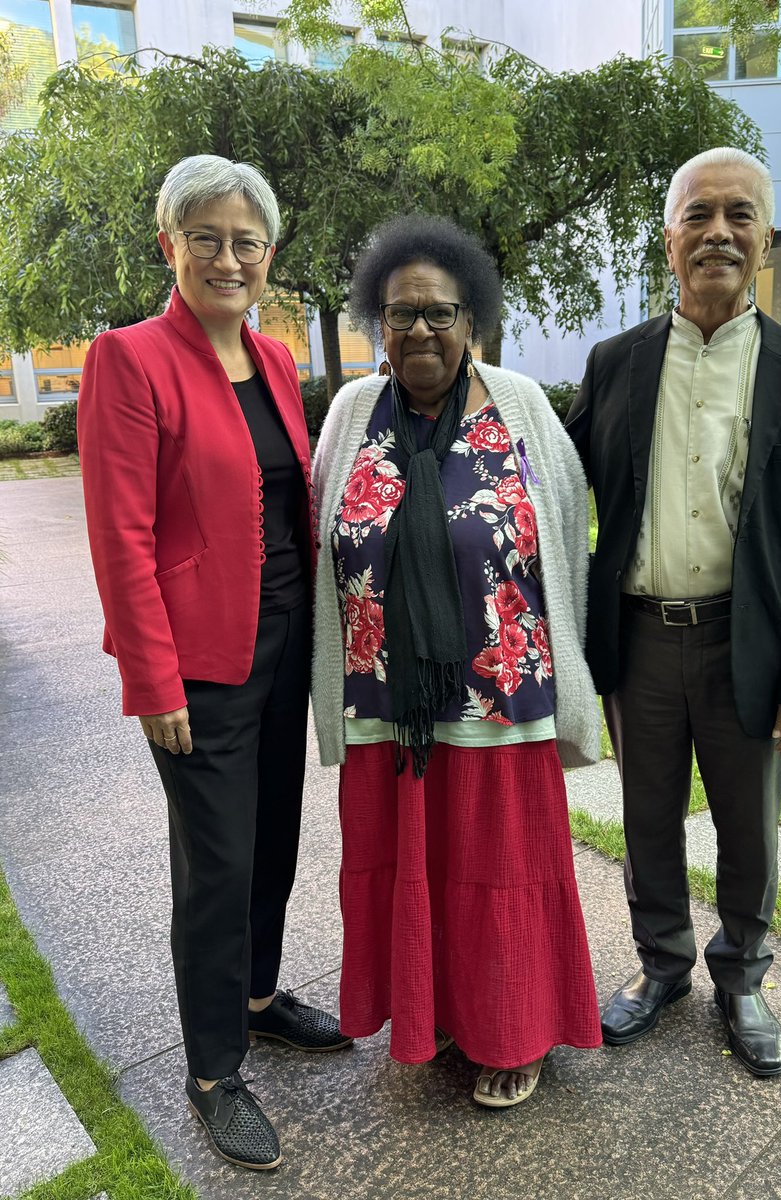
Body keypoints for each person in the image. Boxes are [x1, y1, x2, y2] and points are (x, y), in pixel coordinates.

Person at [78, 155, 350, 1172]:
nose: (229, 258)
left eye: (247, 242)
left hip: (283, 652)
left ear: (267, 257)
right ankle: (211, 1070)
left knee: (273, 836)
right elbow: (123, 537)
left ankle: (260, 997)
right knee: (216, 865)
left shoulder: (274, 361)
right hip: (198, 667)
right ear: (171, 246)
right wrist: (151, 680)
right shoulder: (130, 359)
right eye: (209, 238)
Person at [565, 147, 781, 1077]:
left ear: (764, 240)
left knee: (749, 828)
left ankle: (743, 975)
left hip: (750, 643)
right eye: (699, 215)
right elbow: (555, 490)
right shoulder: (614, 365)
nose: (718, 232)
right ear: (669, 237)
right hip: (640, 640)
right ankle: (661, 969)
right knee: (646, 819)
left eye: (739, 215)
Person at [311, 214, 602, 1108]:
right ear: (377, 325)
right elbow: (321, 533)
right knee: (409, 869)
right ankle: (429, 1013)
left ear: (472, 319)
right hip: (386, 705)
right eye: (400, 315)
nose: (420, 332)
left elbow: (564, 538)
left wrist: (574, 673)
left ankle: (511, 1035)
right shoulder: (353, 412)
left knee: (497, 873)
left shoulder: (520, 407)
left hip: (498, 703)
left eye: (439, 313)